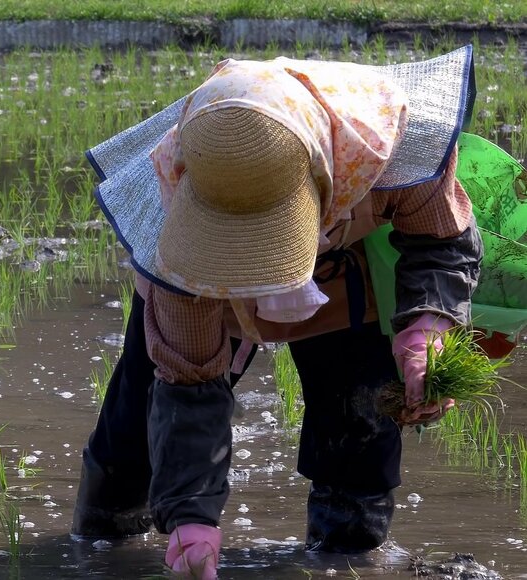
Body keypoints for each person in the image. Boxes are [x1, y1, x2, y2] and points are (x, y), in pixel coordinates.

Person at [72, 46, 483, 578]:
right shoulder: (173, 235)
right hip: (205, 290)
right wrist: (192, 517)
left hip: (344, 272)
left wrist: (427, 324)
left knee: (359, 425)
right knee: (136, 434)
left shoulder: (399, 148)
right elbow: (189, 383)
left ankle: (347, 551)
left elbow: (442, 242)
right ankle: (106, 541)